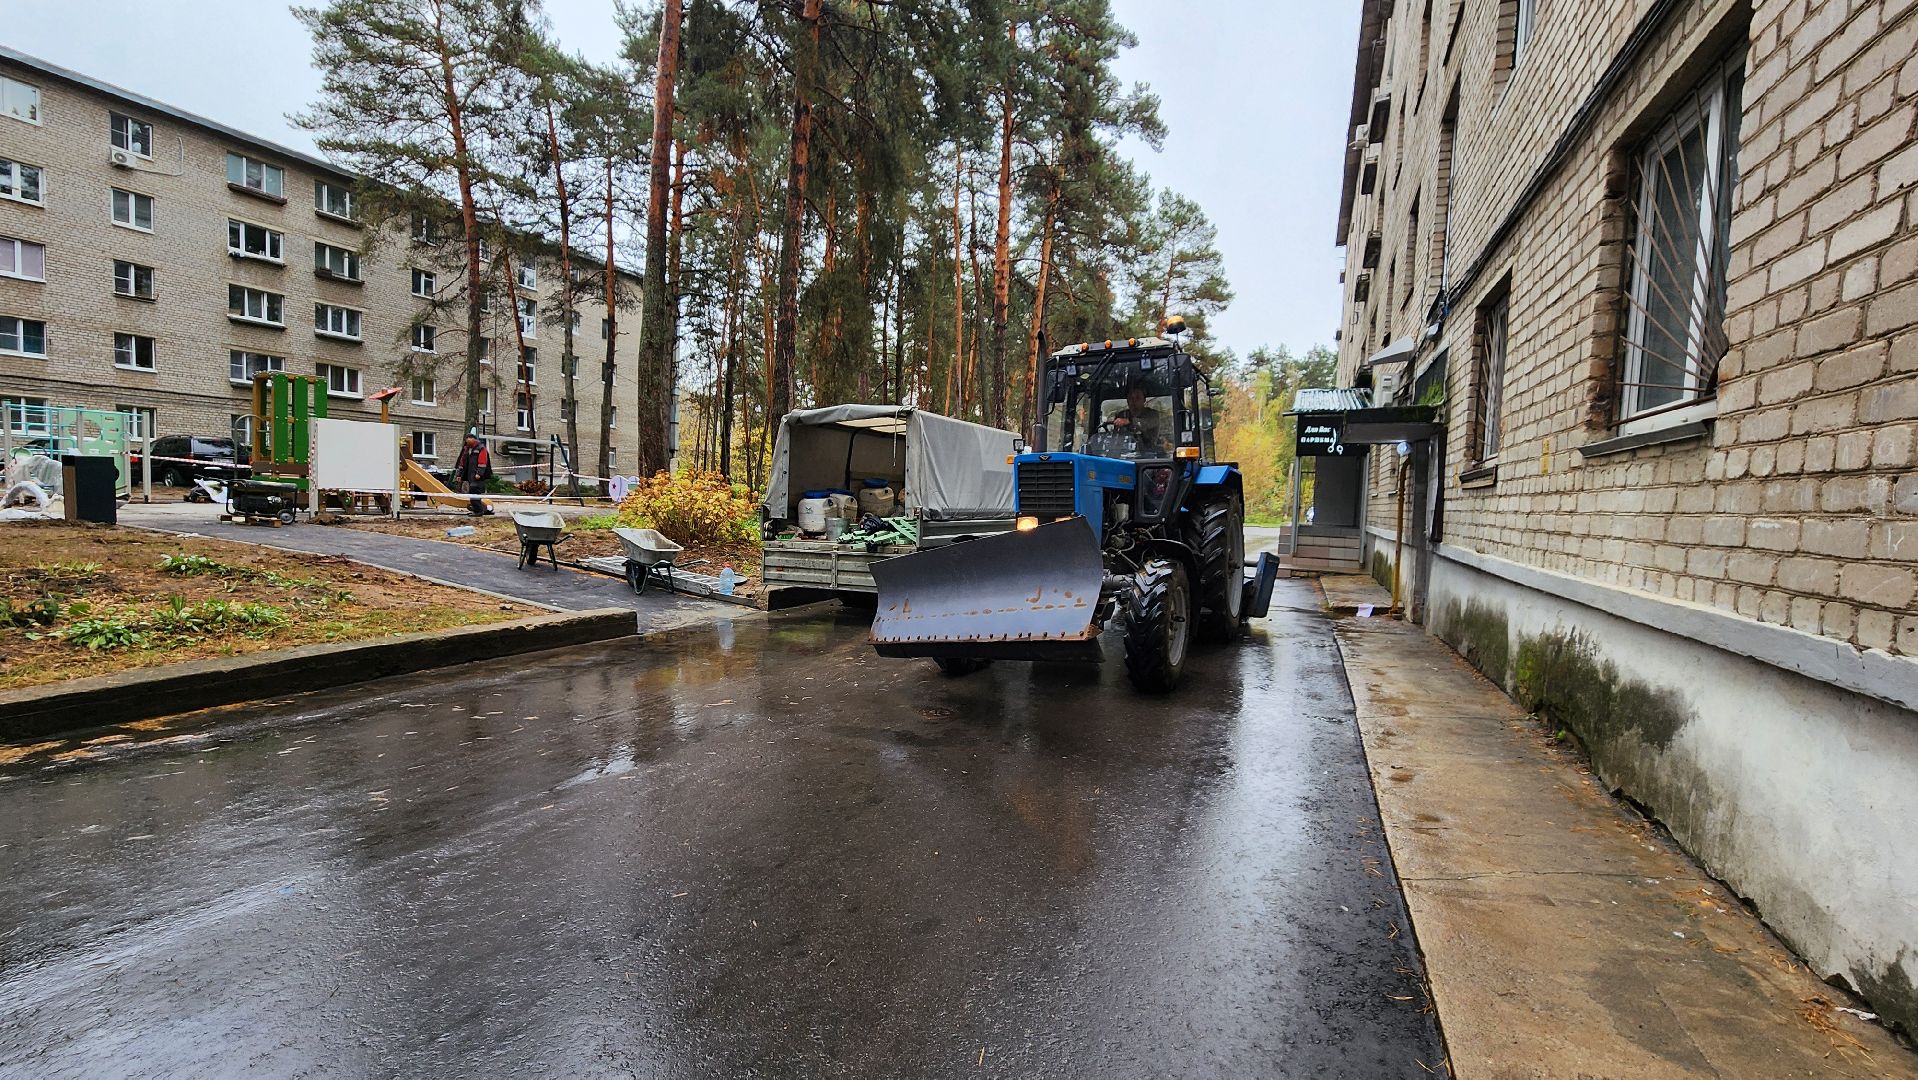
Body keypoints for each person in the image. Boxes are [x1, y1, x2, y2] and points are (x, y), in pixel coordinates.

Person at [1111, 382, 1164, 449]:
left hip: (1149, 452)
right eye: (1131, 398)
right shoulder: (1122, 415)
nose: (1134, 401)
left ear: (1144, 400)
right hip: (1124, 452)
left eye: (1137, 398)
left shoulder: (1153, 414)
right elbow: (1116, 436)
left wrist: (1129, 421)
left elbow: (1146, 423)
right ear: (1127, 401)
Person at [453, 434, 493, 516]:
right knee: (472, 492)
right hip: (470, 475)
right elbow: (462, 463)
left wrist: (479, 473)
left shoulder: (481, 448)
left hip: (477, 475)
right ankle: (477, 509)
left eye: (469, 438)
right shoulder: (466, 449)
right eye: (466, 438)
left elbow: (483, 462)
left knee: (474, 490)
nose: (467, 440)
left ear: (474, 439)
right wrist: (459, 475)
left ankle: (478, 511)